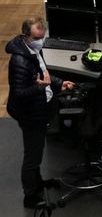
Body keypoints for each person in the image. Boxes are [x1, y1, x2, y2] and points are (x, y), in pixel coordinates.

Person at [6, 16, 76, 208]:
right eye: (37, 37)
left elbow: (43, 74)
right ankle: (29, 196)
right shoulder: (20, 61)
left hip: (39, 109)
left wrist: (60, 82)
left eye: (42, 37)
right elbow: (19, 93)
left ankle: (38, 183)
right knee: (32, 156)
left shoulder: (33, 51)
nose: (41, 41)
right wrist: (40, 87)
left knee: (37, 151)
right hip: (30, 115)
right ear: (25, 36)